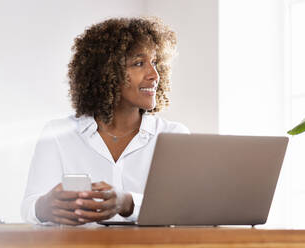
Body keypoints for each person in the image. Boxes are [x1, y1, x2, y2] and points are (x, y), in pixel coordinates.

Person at [21, 17, 189, 226]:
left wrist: (127, 203)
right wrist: (45, 207)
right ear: (106, 72)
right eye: (139, 63)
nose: (154, 75)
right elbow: (29, 208)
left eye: (154, 62)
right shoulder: (58, 134)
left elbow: (186, 210)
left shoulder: (173, 136)